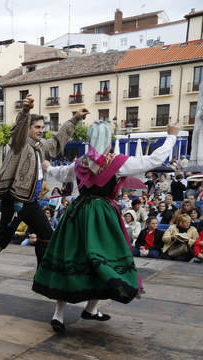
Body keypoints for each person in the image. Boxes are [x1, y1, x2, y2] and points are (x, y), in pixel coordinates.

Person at [32, 121, 177, 333]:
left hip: (77, 215)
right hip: (103, 218)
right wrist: (171, 136)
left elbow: (61, 173)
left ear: (89, 140)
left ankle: (61, 315)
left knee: (71, 259)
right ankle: (90, 309)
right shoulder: (117, 163)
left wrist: (47, 167)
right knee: (103, 262)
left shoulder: (81, 162)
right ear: (109, 140)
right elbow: (153, 160)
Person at [0, 94, 87, 291]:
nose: (41, 130)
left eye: (42, 127)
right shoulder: (20, 144)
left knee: (47, 236)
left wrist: (74, 119)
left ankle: (40, 277)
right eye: (37, 127)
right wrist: (25, 112)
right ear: (29, 129)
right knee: (2, 240)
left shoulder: (41, 147)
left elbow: (57, 142)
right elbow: (18, 132)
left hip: (31, 203)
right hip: (14, 202)